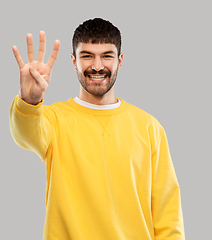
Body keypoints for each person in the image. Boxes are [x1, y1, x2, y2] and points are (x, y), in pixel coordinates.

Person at [9, 18, 185, 240]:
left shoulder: (149, 127)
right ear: (73, 61)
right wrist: (30, 100)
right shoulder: (54, 119)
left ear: (120, 60)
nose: (98, 66)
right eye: (87, 55)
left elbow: (167, 211)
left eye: (107, 55)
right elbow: (24, 133)